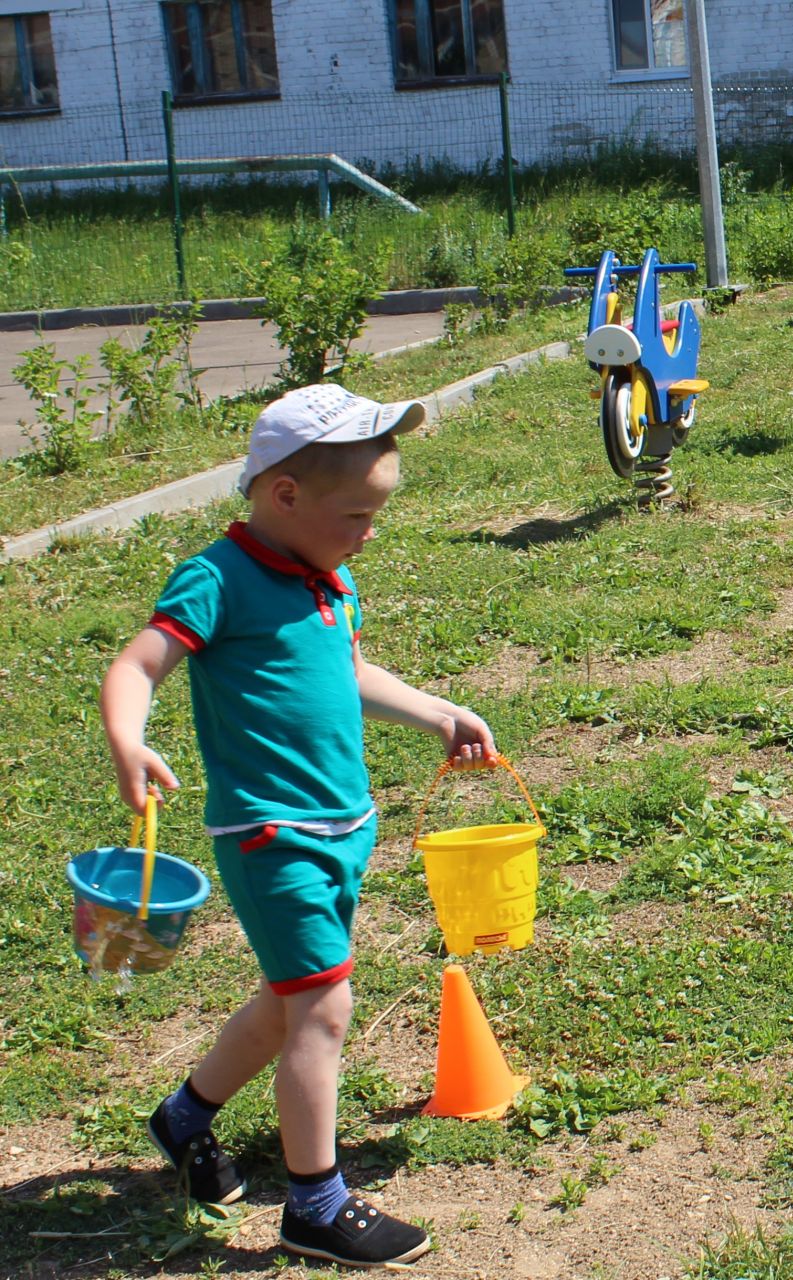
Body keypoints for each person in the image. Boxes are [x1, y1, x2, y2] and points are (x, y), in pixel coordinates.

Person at [103, 385, 501, 1268]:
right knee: (324, 1007)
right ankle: (315, 1205)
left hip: (341, 825)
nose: (370, 530)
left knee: (291, 1002)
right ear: (284, 496)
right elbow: (140, 662)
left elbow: (348, 669)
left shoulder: (328, 574)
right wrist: (128, 737)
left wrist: (438, 712)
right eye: (357, 513)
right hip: (270, 834)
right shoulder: (219, 578)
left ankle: (185, 1118)